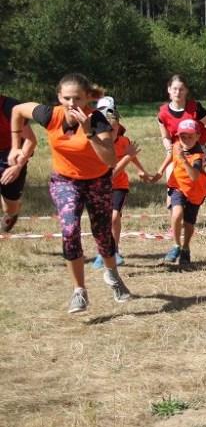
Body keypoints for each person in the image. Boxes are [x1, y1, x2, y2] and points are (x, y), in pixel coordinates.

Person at [9, 73, 131, 313]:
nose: (72, 104)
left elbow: (109, 159)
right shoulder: (49, 115)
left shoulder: (98, 120)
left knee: (102, 233)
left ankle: (112, 275)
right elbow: (17, 111)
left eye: (77, 98)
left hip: (97, 181)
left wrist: (88, 131)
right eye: (66, 98)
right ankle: (79, 291)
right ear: (58, 97)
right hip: (65, 181)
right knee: (70, 230)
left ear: (87, 98)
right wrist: (16, 147)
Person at [91, 97, 153, 269]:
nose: (112, 130)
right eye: (108, 128)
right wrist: (127, 157)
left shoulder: (124, 141)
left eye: (115, 126)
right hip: (101, 185)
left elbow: (131, 157)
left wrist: (141, 170)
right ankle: (101, 252)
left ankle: (114, 250)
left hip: (119, 185)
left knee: (114, 216)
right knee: (101, 220)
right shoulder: (97, 144)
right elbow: (111, 172)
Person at [152, 119, 206, 268]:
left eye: (190, 136)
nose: (186, 140)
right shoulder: (177, 145)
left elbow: (195, 176)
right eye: (183, 136)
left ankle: (185, 248)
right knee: (176, 213)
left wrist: (184, 161)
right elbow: (171, 156)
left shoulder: (198, 155)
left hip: (195, 191)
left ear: (198, 136)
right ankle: (176, 245)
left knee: (189, 224)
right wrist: (160, 172)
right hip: (177, 186)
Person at [157, 74, 206, 167]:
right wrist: (169, 148)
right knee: (173, 180)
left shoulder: (195, 108)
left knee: (194, 180)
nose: (178, 92)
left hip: (198, 152)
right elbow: (165, 137)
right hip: (177, 151)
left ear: (186, 91)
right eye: (175, 89)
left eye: (181, 89)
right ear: (169, 89)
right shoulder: (163, 113)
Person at [0, 94, 37, 233]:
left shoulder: (10, 107)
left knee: (10, 207)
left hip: (11, 156)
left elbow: (30, 140)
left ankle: (12, 213)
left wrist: (18, 166)